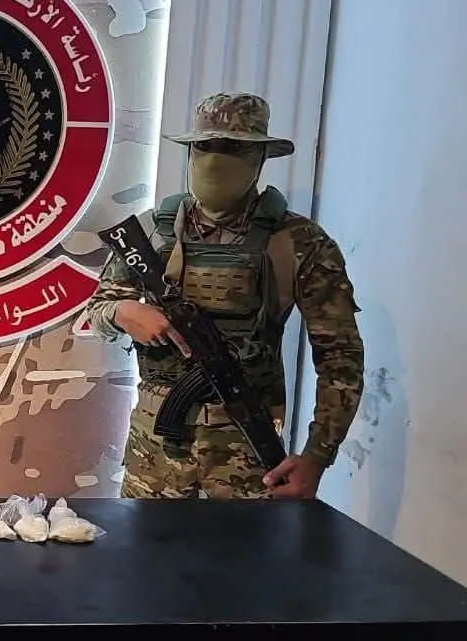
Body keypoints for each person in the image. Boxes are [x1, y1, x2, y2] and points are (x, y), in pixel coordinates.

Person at [85, 92, 364, 500]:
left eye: (233, 148)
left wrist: (317, 456)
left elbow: (341, 356)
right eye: (205, 146)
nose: (215, 160)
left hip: (247, 457)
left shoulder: (299, 242)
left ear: (260, 157)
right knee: (144, 545)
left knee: (245, 546)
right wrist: (123, 312)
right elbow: (97, 313)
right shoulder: (150, 233)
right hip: (155, 455)